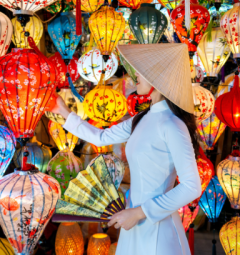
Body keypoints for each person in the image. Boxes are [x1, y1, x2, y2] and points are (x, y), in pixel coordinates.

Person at [50, 43, 202, 255]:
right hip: (133, 221)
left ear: (158, 78)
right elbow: (101, 137)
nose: (135, 74)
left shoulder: (172, 125)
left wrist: (140, 213)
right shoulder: (141, 119)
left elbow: (192, 187)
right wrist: (62, 111)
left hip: (157, 230)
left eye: (142, 70)